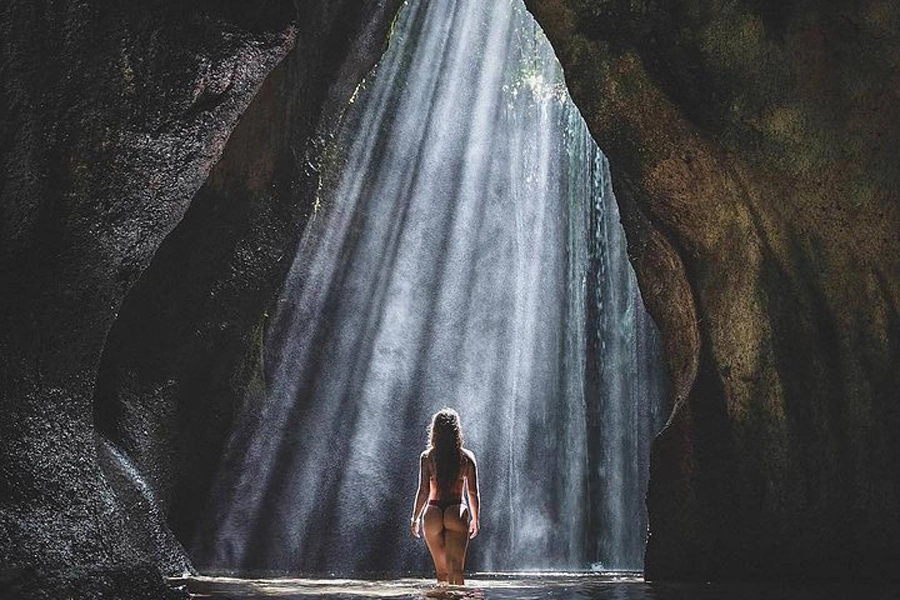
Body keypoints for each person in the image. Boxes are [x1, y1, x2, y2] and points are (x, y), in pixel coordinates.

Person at [409, 408, 480, 585]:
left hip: (432, 512)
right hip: (456, 510)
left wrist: (415, 518)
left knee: (442, 574)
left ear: (435, 431)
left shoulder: (427, 457)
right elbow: (472, 492)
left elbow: (423, 491)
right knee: (456, 571)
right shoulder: (466, 457)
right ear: (457, 430)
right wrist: (475, 519)